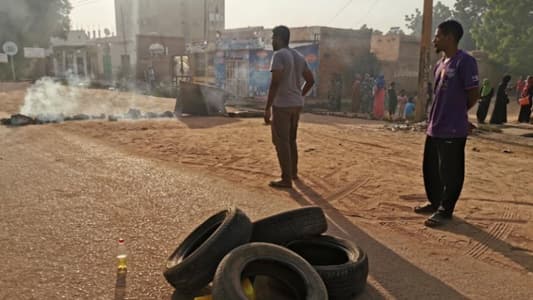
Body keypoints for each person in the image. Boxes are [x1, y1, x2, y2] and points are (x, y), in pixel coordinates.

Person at [414, 20, 480, 227]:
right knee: (431, 168)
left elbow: (473, 94)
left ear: (449, 37)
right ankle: (435, 202)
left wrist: (458, 114)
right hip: (435, 126)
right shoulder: (439, 64)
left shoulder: (465, 61)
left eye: (437, 36)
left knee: (450, 171)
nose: (434, 40)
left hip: (453, 128)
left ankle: (446, 209)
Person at [264, 25, 315, 189]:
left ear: (279, 38)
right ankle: (293, 172)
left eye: (273, 38)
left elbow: (275, 83)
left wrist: (267, 107)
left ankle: (286, 179)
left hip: (282, 105)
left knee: (281, 141)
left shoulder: (279, 55)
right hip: (296, 104)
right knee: (291, 140)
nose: (272, 41)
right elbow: (310, 80)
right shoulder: (299, 56)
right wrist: (299, 94)